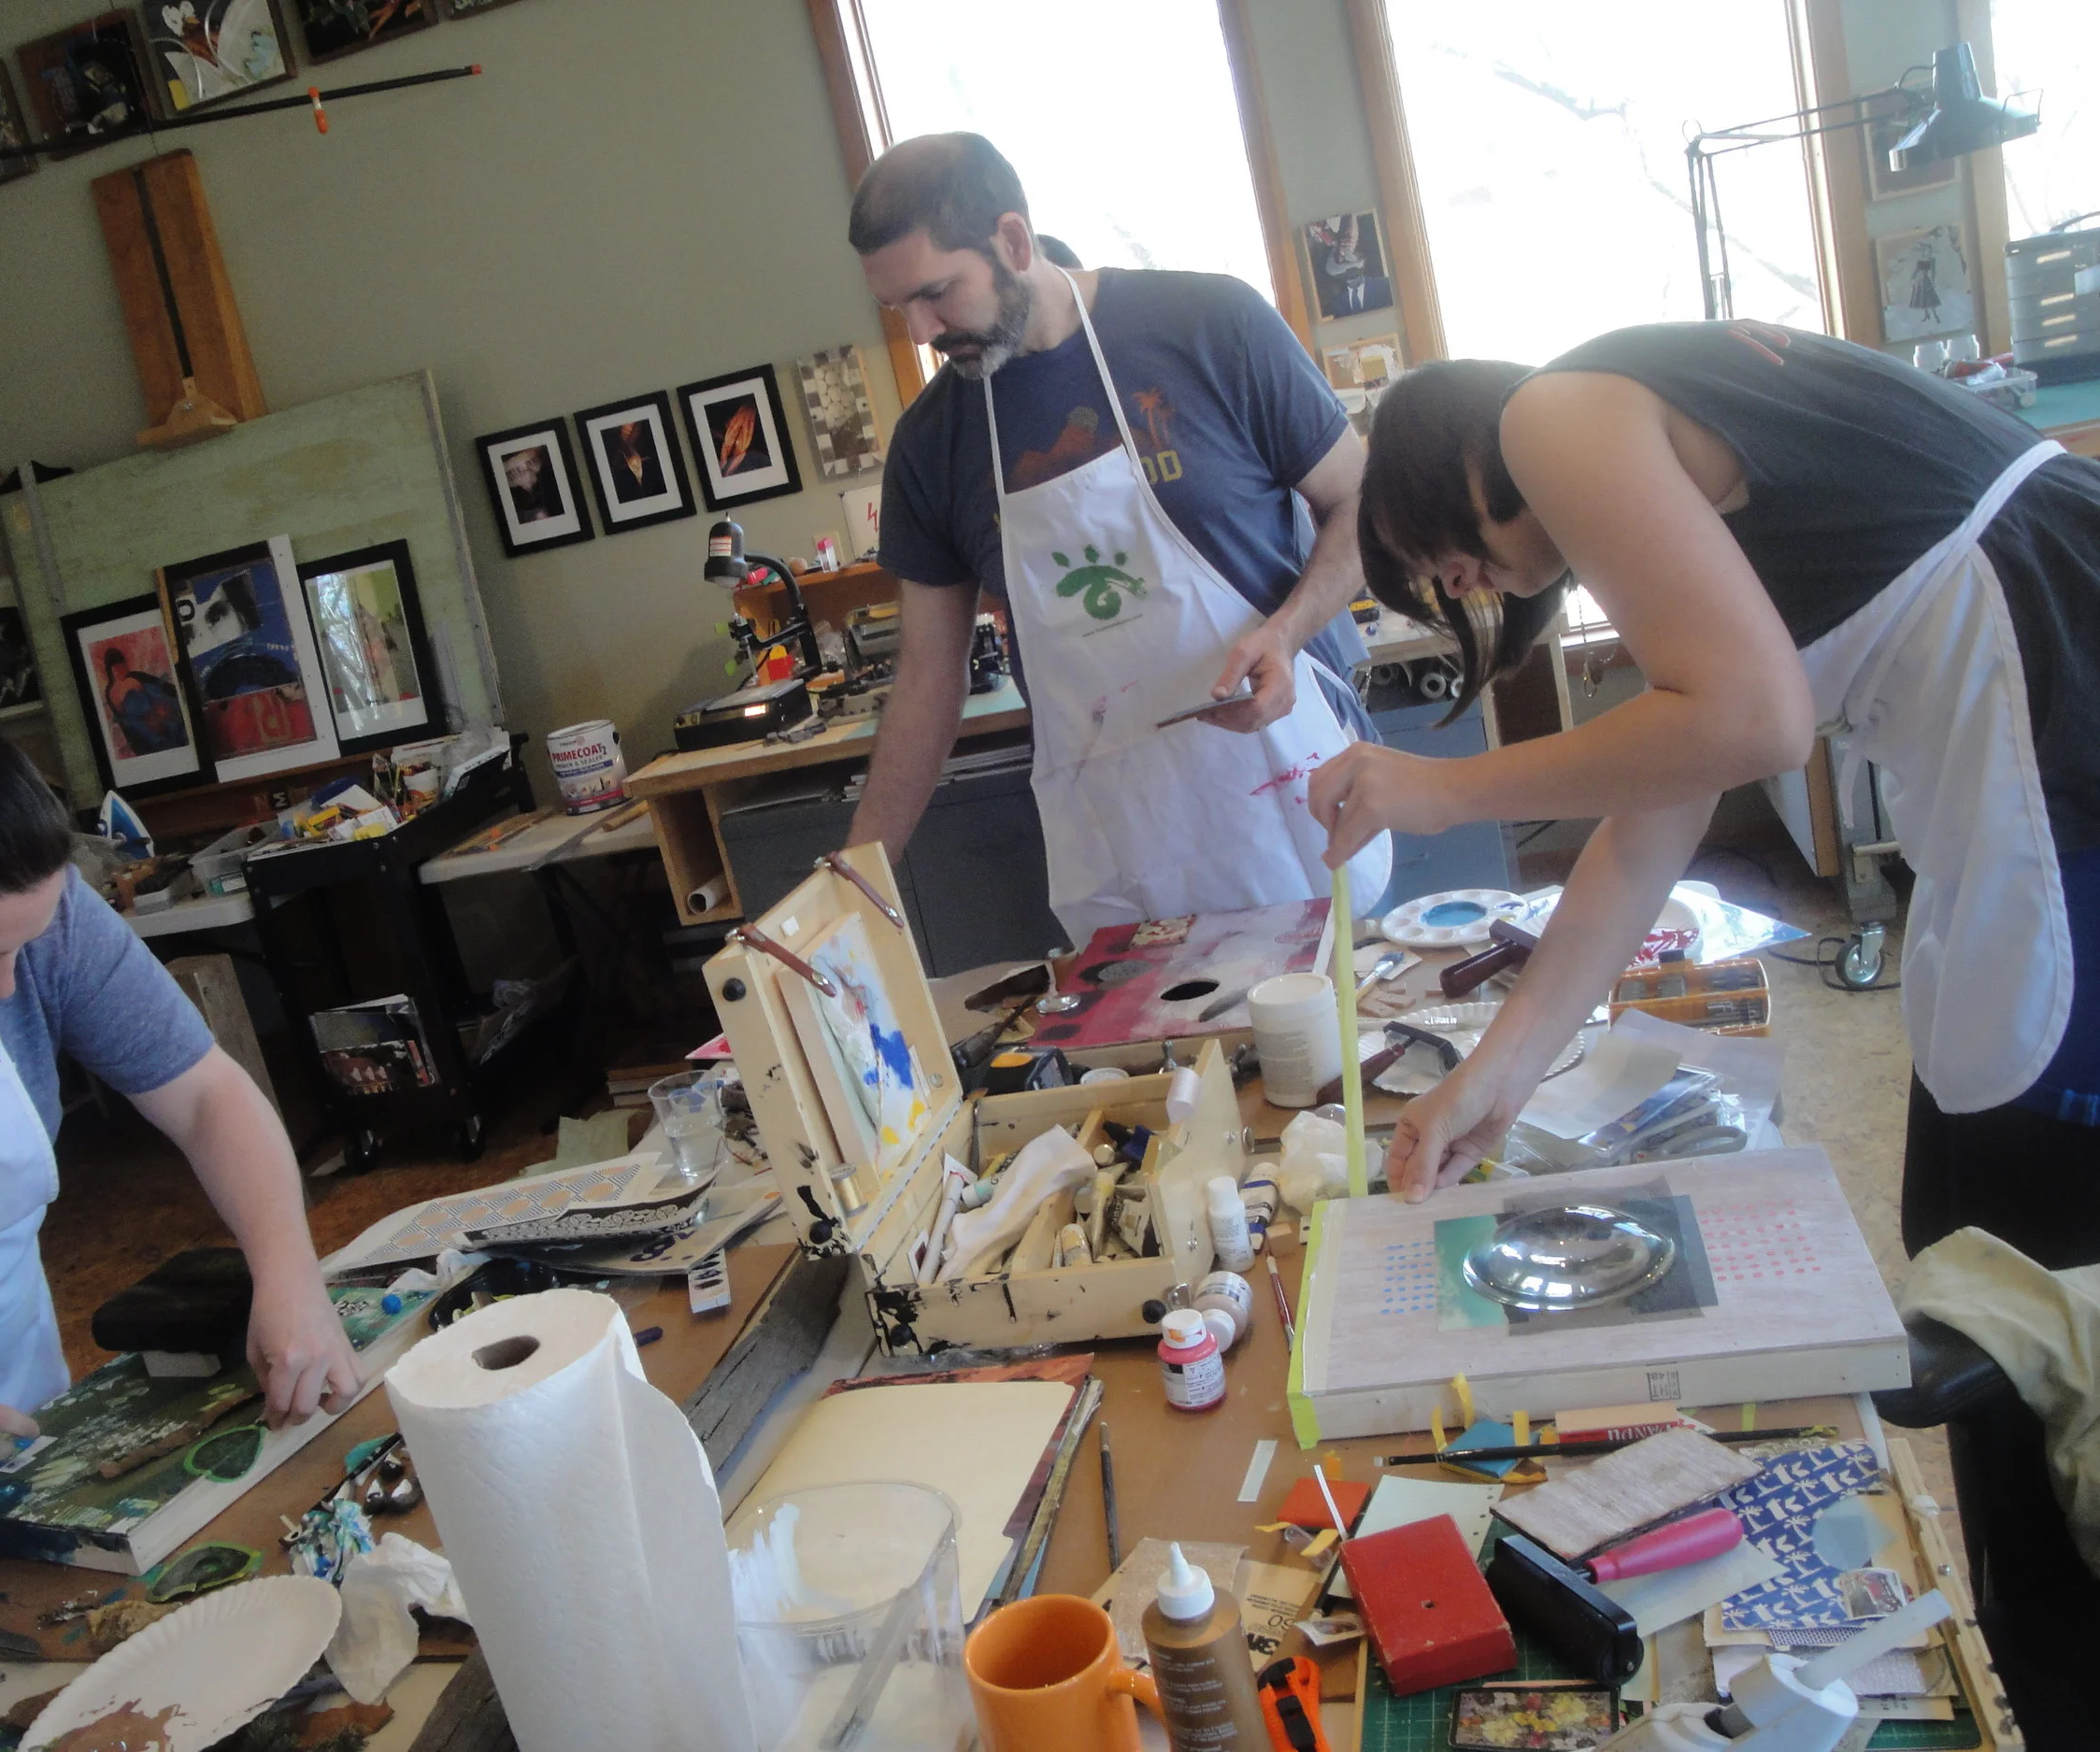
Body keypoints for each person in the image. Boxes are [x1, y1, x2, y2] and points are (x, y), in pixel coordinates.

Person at [1307, 318, 2100, 1745]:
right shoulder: (1668, 459)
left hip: (2064, 700)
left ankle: (2059, 1677)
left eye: (1437, 554)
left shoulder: (1554, 413)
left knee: (2017, 1269)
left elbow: (1750, 718)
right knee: (1964, 1216)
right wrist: (1496, 1074)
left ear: (1459, 455)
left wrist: (1437, 788)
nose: (1455, 584)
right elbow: (1645, 826)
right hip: (2034, 701)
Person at [0, 647, 359, 1701]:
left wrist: (289, 1275)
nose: (5, 988)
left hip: (14, 1437)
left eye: (25, 948)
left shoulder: (24, 912)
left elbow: (208, 1097)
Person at [844, 133, 1390, 941]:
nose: (922, 330)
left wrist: (1287, 629)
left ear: (1013, 241)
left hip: (1291, 785)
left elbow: (1361, 501)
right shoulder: (932, 445)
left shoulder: (1210, 325)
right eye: (900, 308)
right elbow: (928, 678)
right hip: (1125, 842)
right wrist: (854, 883)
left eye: (936, 293)